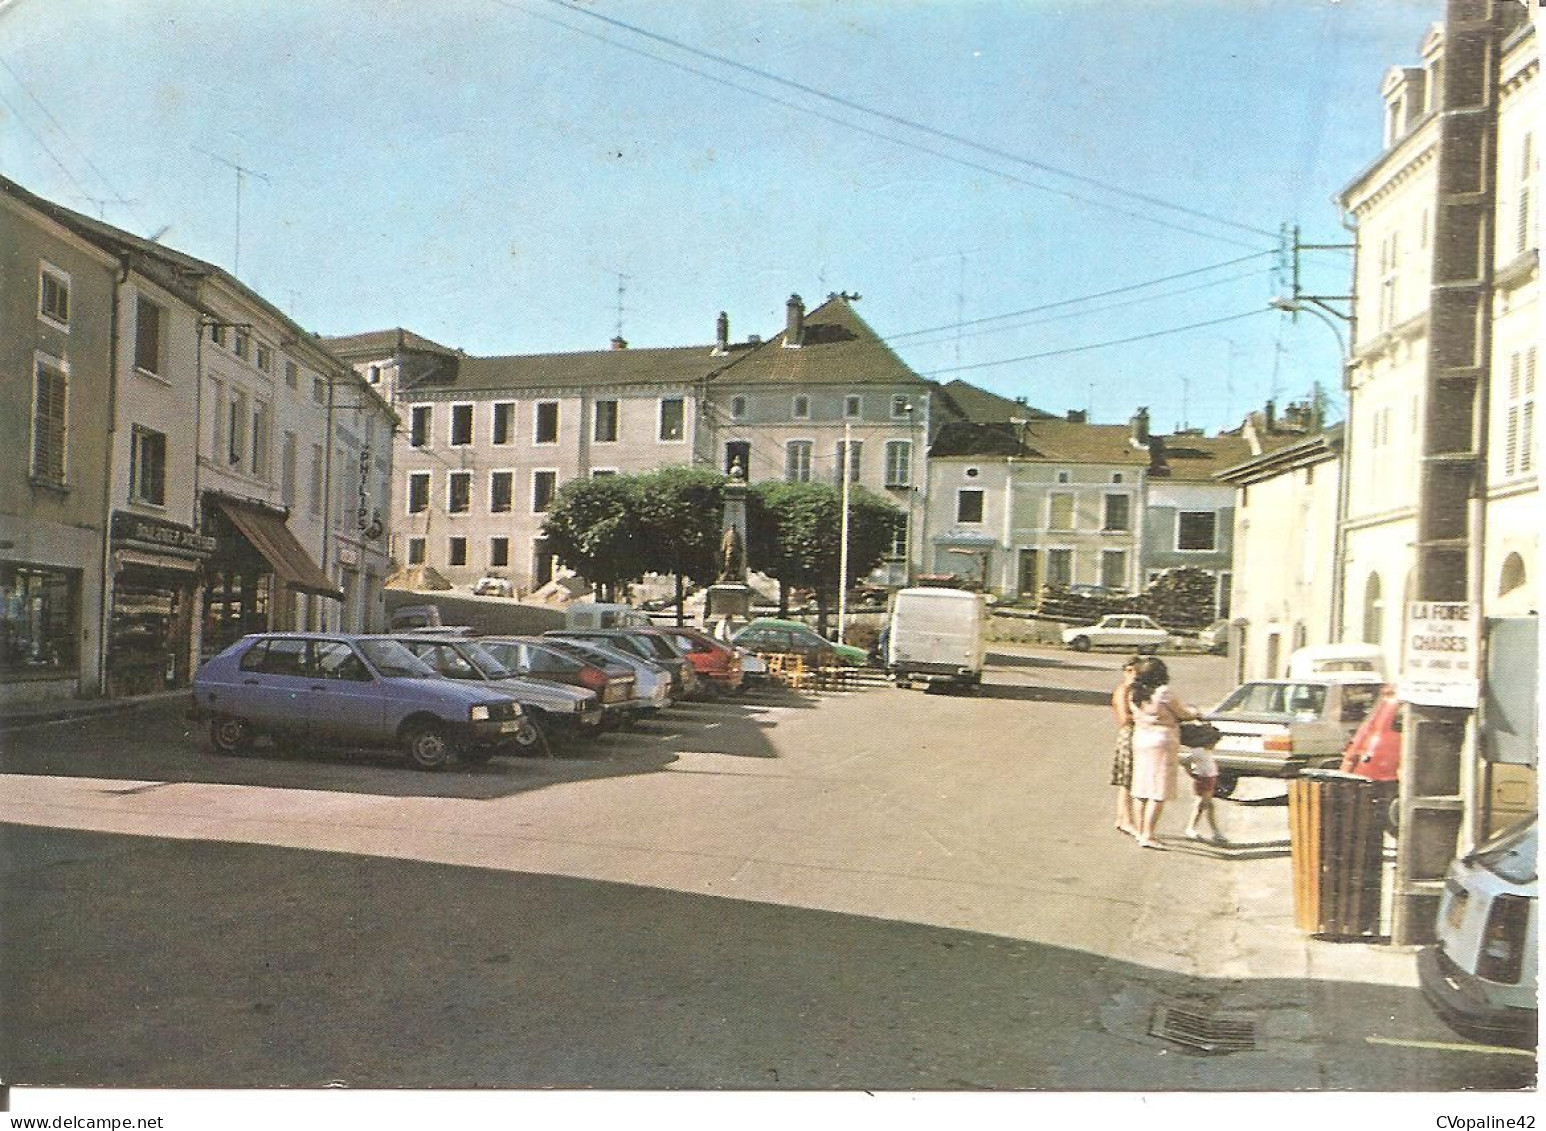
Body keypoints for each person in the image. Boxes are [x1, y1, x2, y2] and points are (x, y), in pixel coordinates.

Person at [1127, 656, 1200, 849]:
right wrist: (1195, 712)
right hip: (1162, 741)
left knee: (1141, 788)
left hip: (1141, 738)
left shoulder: (1134, 694)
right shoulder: (1164, 693)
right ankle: (1149, 834)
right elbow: (1183, 713)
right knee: (1158, 789)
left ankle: (1140, 830)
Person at [1109, 658, 1141, 837]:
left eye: (1136, 671)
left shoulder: (1138, 691)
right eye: (1129, 671)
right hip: (1129, 735)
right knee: (1127, 780)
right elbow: (1123, 718)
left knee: (1132, 779)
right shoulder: (1123, 691)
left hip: (1138, 735)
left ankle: (1122, 818)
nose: (1133, 675)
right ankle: (1127, 820)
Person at [1182, 745, 1225, 843]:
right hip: (1204, 779)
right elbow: (1186, 761)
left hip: (1210, 778)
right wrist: (1190, 772)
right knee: (1205, 804)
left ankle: (1212, 831)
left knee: (1205, 805)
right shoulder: (1199, 751)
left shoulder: (1206, 751)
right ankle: (1214, 832)